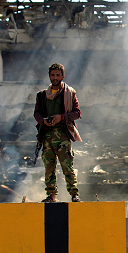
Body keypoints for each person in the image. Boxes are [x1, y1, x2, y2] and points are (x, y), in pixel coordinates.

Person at [34, 63, 82, 202]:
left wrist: (61, 117)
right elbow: (36, 113)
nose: (55, 78)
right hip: (47, 135)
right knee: (49, 167)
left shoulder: (69, 93)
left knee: (67, 166)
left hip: (62, 135)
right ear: (49, 76)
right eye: (53, 75)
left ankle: (74, 194)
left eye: (57, 75)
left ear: (62, 76)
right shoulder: (42, 95)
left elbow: (77, 113)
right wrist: (43, 121)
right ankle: (51, 195)